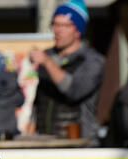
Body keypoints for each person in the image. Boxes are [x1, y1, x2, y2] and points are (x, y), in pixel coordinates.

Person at [27, 0, 105, 140]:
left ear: (77, 31)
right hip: (46, 141)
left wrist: (47, 63)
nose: (57, 30)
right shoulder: (49, 55)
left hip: (80, 143)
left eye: (64, 25)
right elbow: (39, 100)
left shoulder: (92, 61)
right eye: (55, 24)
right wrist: (30, 131)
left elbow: (74, 91)